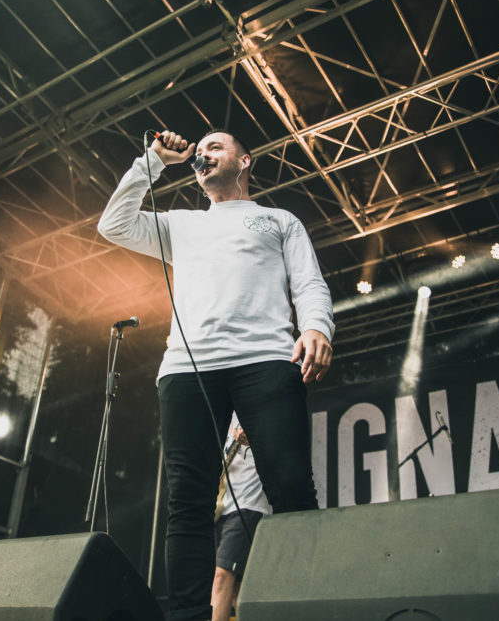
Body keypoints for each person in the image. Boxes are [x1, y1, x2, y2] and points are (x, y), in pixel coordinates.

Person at [97, 129, 334, 621]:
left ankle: (307, 607)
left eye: (216, 147)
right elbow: (113, 224)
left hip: (267, 359)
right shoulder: (180, 224)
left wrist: (316, 326)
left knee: (291, 487)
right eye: (199, 150)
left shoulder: (278, 220)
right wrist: (152, 161)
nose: (203, 154)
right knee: (188, 502)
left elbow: (308, 281)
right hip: (188, 366)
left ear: (244, 161)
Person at [211, 415, 270, 621]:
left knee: (222, 577)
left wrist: (256, 434)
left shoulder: (259, 398)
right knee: (236, 592)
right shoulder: (224, 410)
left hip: (249, 503)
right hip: (222, 505)